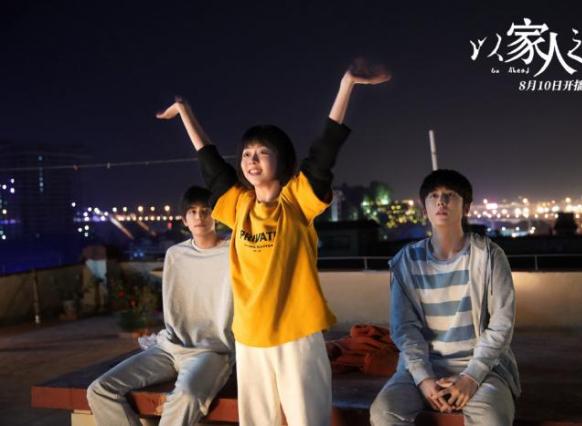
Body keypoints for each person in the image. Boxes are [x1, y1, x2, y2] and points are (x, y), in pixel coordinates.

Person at [156, 60, 390, 426]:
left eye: (262, 152)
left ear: (281, 161)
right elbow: (210, 163)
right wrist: (185, 112)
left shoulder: (297, 200)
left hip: (297, 335)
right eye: (246, 154)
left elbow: (325, 151)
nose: (251, 160)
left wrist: (346, 84)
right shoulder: (238, 205)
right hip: (250, 337)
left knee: (306, 420)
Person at [370, 169, 520, 426]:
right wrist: (423, 379)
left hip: (482, 367)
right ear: (425, 207)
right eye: (434, 196)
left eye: (450, 195)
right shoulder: (406, 261)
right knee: (384, 412)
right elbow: (404, 328)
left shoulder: (489, 256)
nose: (441, 201)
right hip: (420, 366)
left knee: (492, 418)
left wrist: (471, 377)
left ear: (466, 207)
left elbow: (502, 325)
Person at [87, 186, 234, 426]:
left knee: (187, 396)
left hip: (211, 350)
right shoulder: (175, 254)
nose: (199, 217)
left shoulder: (233, 251)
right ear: (184, 219)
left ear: (215, 215)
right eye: (192, 211)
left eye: (205, 211)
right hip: (169, 347)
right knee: (100, 389)